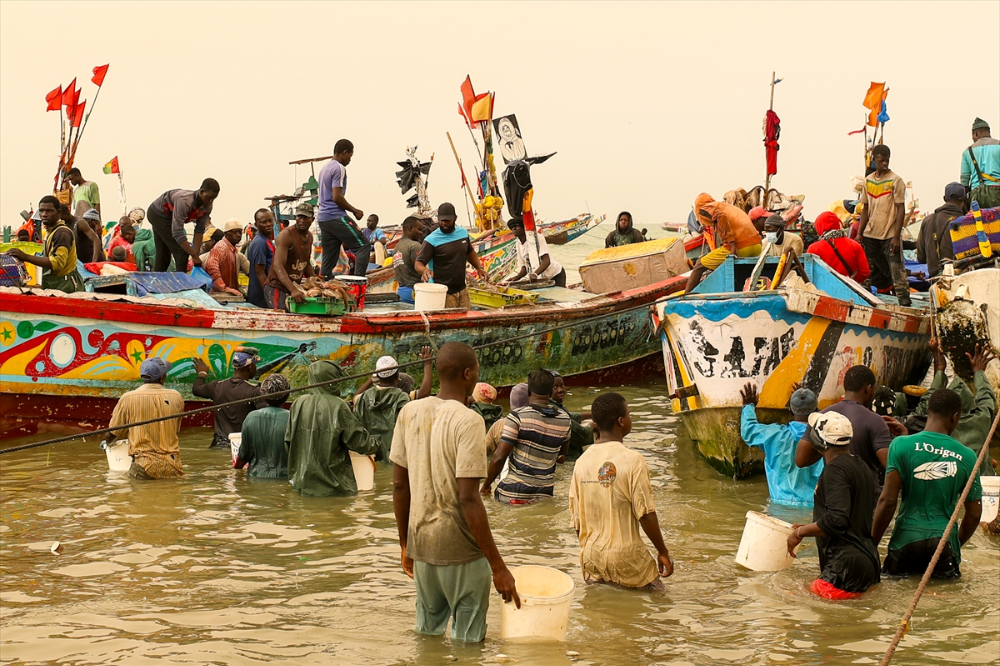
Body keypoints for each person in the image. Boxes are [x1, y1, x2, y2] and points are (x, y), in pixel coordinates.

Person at [390, 341, 520, 642]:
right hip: (461, 549)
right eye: (476, 371)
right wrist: (498, 567)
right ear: (468, 374)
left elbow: (399, 485)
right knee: (469, 642)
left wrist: (405, 544)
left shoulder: (409, 412)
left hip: (422, 545)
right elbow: (468, 497)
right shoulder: (469, 420)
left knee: (427, 636)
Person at [873, 388, 983, 579]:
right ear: (955, 417)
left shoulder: (900, 445)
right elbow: (974, 514)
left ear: (928, 412)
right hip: (943, 541)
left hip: (905, 540)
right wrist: (953, 542)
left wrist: (871, 543)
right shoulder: (968, 456)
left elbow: (888, 502)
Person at [569, 391, 673, 588]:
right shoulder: (633, 460)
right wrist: (663, 552)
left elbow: (577, 520)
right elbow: (645, 513)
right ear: (621, 421)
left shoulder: (582, 462)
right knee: (659, 608)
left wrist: (589, 550)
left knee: (603, 612)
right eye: (629, 414)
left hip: (592, 556)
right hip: (627, 556)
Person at [786, 412, 881, 599]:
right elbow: (848, 516)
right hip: (867, 560)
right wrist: (808, 527)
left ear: (818, 441)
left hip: (844, 566)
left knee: (789, 599)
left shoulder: (835, 470)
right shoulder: (860, 465)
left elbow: (837, 520)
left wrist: (799, 534)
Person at [796, 365, 892, 500]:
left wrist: (827, 445)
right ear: (868, 388)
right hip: (865, 498)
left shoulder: (822, 417)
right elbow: (891, 465)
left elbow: (801, 460)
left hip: (832, 494)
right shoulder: (875, 421)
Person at [285, 360, 379, 496]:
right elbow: (359, 442)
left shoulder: (298, 404)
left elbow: (288, 442)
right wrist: (377, 445)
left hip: (301, 485)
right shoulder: (339, 406)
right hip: (335, 488)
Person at [482, 369, 571, 503]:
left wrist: (485, 486)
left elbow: (499, 458)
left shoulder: (517, 416)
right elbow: (562, 455)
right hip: (545, 494)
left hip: (513, 493)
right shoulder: (565, 420)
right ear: (550, 392)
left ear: (529, 392)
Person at [908, 341, 997, 474]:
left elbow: (927, 401)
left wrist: (939, 370)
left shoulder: (929, 425)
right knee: (990, 462)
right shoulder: (982, 418)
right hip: (977, 479)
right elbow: (987, 397)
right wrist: (979, 372)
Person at [740, 384, 824, 508]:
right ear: (816, 411)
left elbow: (748, 431)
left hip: (779, 506)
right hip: (814, 508)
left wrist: (748, 406)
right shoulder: (824, 437)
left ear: (790, 410)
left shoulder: (774, 434)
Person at [107, 357, 184, 479]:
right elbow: (176, 429)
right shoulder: (176, 396)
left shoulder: (128, 398)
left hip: (144, 465)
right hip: (173, 465)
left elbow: (115, 432)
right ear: (162, 377)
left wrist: (106, 443)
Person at [857, 145, 909, 305]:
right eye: (881, 161)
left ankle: (905, 304)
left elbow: (901, 209)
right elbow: (865, 208)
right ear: (874, 160)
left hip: (889, 235)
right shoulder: (868, 181)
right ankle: (864, 303)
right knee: (866, 272)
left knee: (896, 271)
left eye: (887, 160)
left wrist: (896, 236)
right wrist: (860, 233)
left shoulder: (896, 181)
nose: (884, 164)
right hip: (870, 234)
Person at [415, 202, 488, 309]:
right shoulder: (431, 240)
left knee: (466, 321)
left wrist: (479, 268)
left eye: (447, 221)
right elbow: (418, 263)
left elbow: (469, 252)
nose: (444, 223)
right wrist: (424, 271)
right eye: (441, 220)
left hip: (462, 290)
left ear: (455, 218)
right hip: (443, 293)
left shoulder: (463, 234)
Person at [685, 194, 763, 293]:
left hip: (741, 247)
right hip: (757, 246)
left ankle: (685, 296)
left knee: (699, 264)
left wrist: (731, 243)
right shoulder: (725, 207)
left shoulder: (704, 208)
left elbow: (720, 217)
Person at [6, 195, 83, 292]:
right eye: (41, 211)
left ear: (58, 213)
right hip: (56, 283)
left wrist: (25, 256)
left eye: (49, 211)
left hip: (66, 286)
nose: (44, 214)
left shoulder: (62, 233)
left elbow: (57, 263)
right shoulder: (50, 231)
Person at [192, 347, 262, 449]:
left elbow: (196, 389)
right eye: (255, 365)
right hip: (241, 447)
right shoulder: (255, 391)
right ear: (250, 367)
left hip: (218, 446)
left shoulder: (216, 387)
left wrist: (202, 374)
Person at [317, 139, 369, 278]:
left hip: (323, 218)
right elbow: (337, 197)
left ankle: (325, 282)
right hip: (334, 215)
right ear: (345, 153)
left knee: (329, 256)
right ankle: (357, 283)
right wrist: (355, 210)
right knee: (363, 245)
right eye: (350, 156)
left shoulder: (324, 168)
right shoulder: (339, 168)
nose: (349, 160)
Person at [147, 179, 220, 273]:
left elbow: (199, 229)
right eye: (209, 197)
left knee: (163, 255)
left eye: (213, 198)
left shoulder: (207, 206)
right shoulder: (185, 201)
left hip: (168, 216)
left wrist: (196, 253)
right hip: (159, 214)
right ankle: (181, 285)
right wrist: (192, 254)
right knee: (181, 253)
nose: (210, 201)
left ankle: (157, 282)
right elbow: (177, 232)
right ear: (202, 192)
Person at [354, 355, 411, 464]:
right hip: (395, 459)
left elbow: (355, 429)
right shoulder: (402, 398)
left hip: (369, 460)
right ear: (397, 375)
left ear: (377, 376)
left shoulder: (364, 398)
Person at [235, 373, 292, 479]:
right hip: (285, 478)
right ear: (287, 394)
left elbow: (243, 455)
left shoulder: (251, 417)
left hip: (255, 477)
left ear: (263, 394)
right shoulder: (293, 419)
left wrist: (235, 473)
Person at [265, 203, 316, 310]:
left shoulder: (309, 237)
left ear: (312, 219)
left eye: (306, 217)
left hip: (293, 287)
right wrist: (293, 289)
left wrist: (317, 283)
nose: (302, 220)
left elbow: (306, 265)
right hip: (277, 288)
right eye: (299, 217)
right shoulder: (286, 235)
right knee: (281, 319)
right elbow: (278, 265)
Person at [807, 211, 870, 283]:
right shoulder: (855, 245)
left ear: (819, 227)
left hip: (823, 291)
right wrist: (851, 283)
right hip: (848, 291)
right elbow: (864, 272)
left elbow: (809, 274)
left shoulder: (813, 248)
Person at [916, 183, 964, 278]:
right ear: (964, 200)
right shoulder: (967, 222)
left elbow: (921, 258)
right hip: (961, 278)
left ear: (944, 199)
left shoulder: (928, 220)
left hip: (936, 280)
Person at [503, 218, 566, 287]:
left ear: (524, 228)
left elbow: (546, 260)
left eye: (517, 226)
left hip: (555, 274)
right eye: (512, 227)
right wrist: (516, 277)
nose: (514, 229)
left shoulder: (537, 238)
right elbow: (524, 267)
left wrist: (535, 274)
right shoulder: (518, 244)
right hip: (541, 278)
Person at [550, 372, 594, 456]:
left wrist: (590, 415)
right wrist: (593, 426)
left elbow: (569, 415)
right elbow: (583, 437)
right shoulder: (555, 412)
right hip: (568, 459)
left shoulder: (553, 405)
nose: (560, 390)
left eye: (562, 385)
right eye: (555, 387)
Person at [961, 117, 1000, 208]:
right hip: (998, 193)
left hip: (976, 197)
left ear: (976, 133)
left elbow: (964, 182)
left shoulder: (968, 151)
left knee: (978, 222)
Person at [203, 218, 245, 295]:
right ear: (226, 233)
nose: (238, 235)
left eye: (240, 232)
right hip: (219, 295)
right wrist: (223, 288)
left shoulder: (233, 250)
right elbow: (211, 266)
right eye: (234, 232)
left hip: (227, 294)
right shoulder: (221, 247)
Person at [246, 208, 275, 308]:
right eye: (264, 222)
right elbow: (260, 273)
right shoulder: (260, 243)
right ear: (257, 224)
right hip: (261, 299)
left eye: (270, 220)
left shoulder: (267, 240)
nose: (268, 224)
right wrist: (270, 297)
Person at [393, 215, 424, 304]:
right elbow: (419, 268)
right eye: (419, 229)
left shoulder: (397, 247)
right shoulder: (415, 246)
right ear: (410, 228)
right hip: (414, 293)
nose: (420, 232)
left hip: (401, 292)